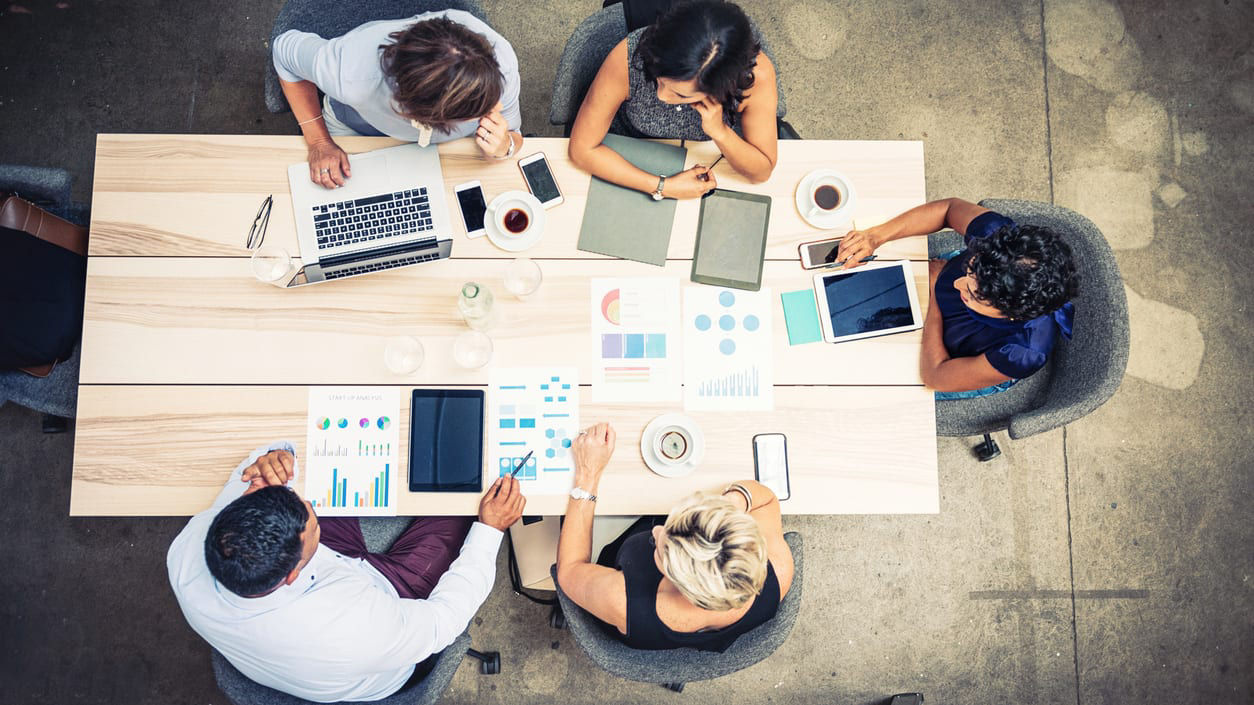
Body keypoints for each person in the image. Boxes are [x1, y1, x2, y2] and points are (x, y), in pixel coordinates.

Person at [168, 442, 525, 702]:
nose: (310, 504)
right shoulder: (355, 628)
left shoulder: (192, 547)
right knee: (465, 496)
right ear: (292, 574)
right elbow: (442, 621)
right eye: (311, 522)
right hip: (377, 624)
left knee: (331, 459)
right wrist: (491, 529)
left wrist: (277, 456)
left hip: (319, 602)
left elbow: (253, 470)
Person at [555, 423, 794, 651]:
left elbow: (570, 570)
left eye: (662, 550)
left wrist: (588, 475)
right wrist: (730, 503)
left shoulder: (623, 601)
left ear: (680, 584)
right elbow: (767, 499)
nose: (657, 530)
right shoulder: (779, 572)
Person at [836, 198, 1079, 397]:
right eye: (970, 268)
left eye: (974, 293)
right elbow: (949, 209)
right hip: (935, 280)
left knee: (871, 382)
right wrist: (875, 237)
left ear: (1011, 315)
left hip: (954, 362)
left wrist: (934, 295)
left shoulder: (1021, 351)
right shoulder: (996, 241)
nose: (957, 283)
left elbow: (935, 376)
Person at [272, 10, 524, 190]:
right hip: (357, 127)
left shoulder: (500, 64)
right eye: (478, 109)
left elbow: (513, 134)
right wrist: (318, 141)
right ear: (424, 117)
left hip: (448, 152)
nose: (498, 107)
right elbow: (284, 51)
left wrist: (505, 146)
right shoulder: (349, 72)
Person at [568, 0, 779, 200]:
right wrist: (663, 187)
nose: (662, 96)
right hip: (629, 149)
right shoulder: (629, 55)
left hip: (709, 161)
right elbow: (582, 149)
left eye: (681, 94)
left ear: (721, 88)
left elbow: (760, 172)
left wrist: (720, 132)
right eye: (659, 80)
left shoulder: (755, 77)